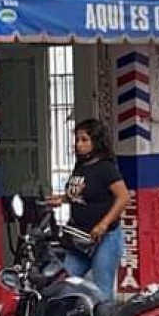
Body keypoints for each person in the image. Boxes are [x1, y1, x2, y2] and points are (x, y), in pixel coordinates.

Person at [47, 118, 130, 301]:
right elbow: (82, 194)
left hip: (105, 238)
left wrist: (103, 224)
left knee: (102, 291)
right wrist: (61, 199)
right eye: (77, 140)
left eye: (84, 140)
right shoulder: (81, 166)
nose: (79, 144)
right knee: (66, 284)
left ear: (97, 141)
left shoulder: (106, 168)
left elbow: (124, 197)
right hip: (80, 239)